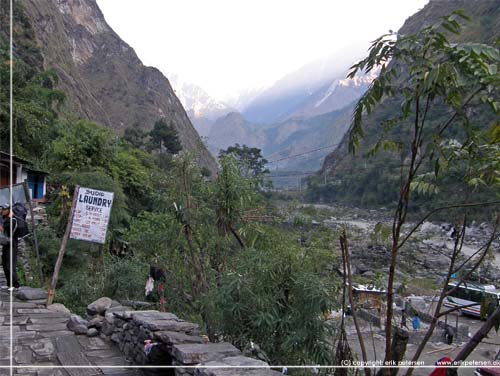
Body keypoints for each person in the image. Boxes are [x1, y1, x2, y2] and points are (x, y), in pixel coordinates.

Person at [0, 204, 20, 289]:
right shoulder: (4, 218)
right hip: (6, 244)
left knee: (10, 265)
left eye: (4, 210)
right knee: (5, 264)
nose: (2, 211)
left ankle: (15, 284)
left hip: (12, 244)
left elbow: (6, 229)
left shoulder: (12, 220)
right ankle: (9, 284)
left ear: (8, 210)